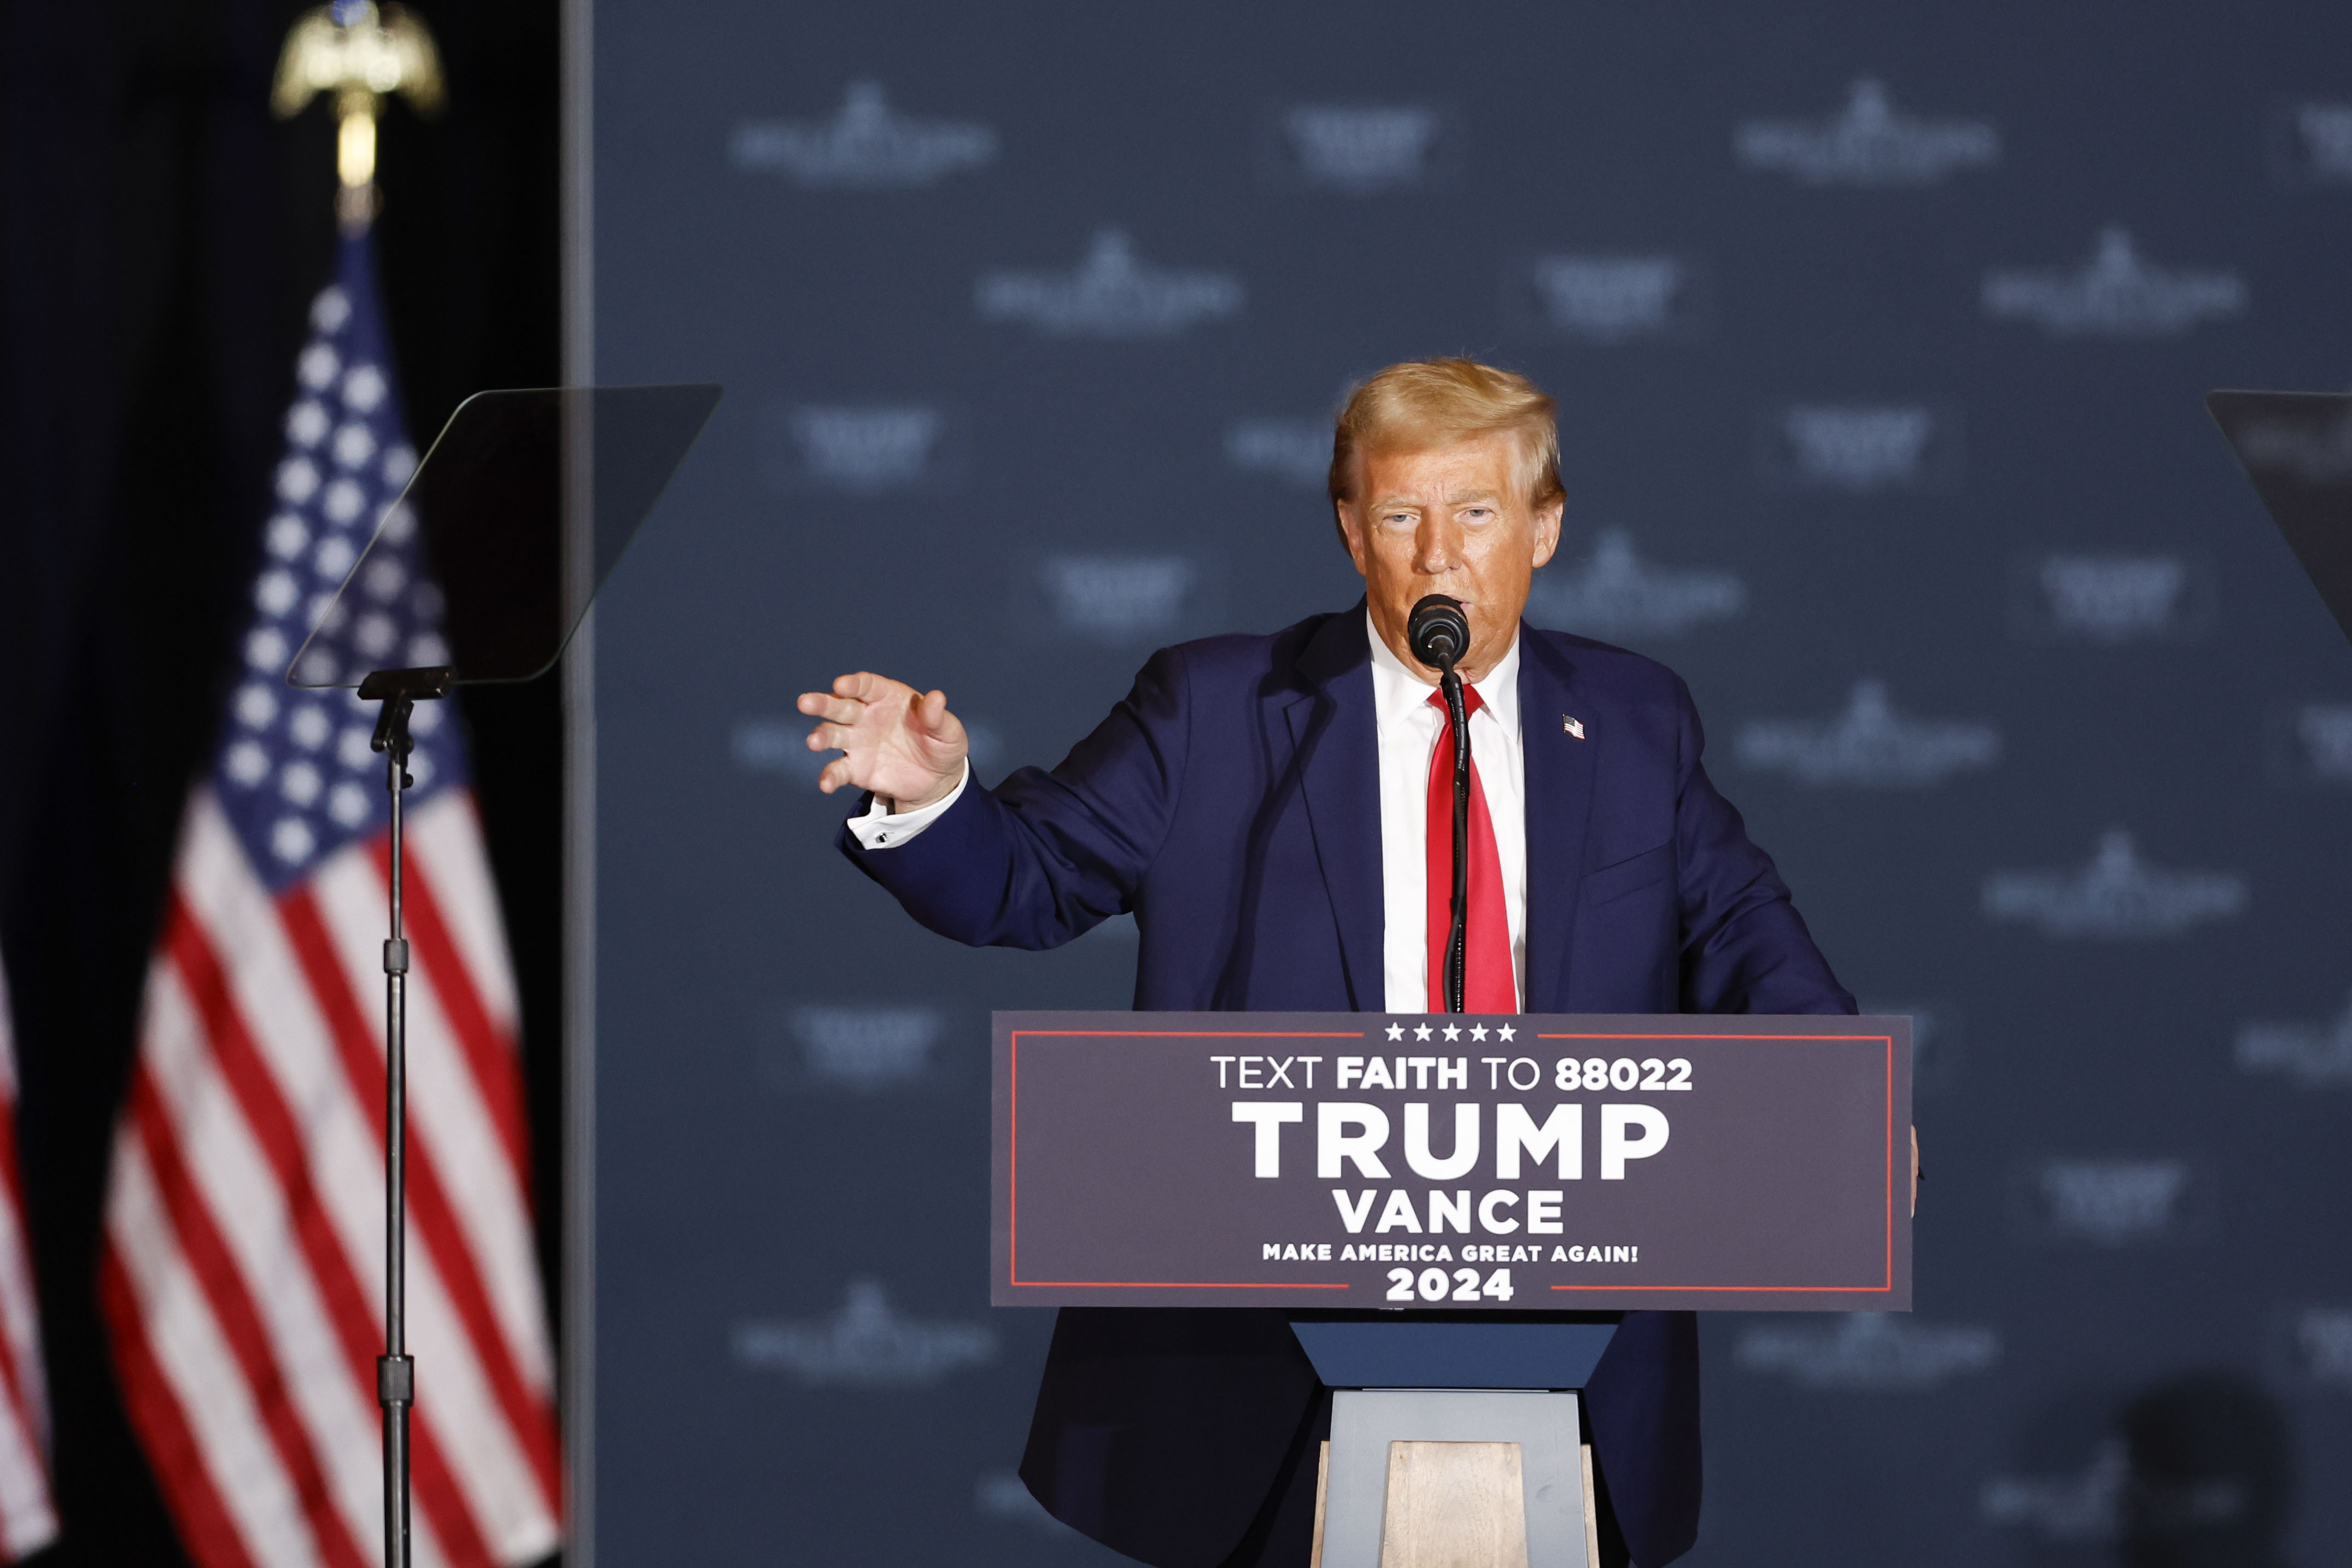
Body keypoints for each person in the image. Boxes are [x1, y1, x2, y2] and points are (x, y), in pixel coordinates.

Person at [798, 358, 1854, 1568]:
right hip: (1256, 1371)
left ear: (1545, 529)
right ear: (1353, 532)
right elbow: (1026, 881)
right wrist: (936, 799)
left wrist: (1836, 1100)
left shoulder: (1631, 719)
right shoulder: (1213, 708)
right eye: (1401, 516)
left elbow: (1741, 929)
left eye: (1475, 515)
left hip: (1571, 1351)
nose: (1437, 557)